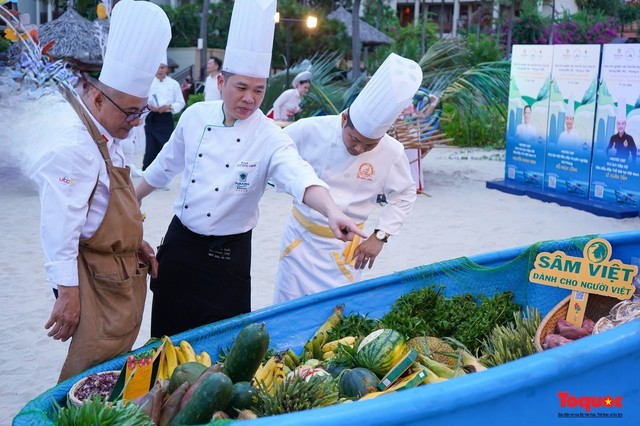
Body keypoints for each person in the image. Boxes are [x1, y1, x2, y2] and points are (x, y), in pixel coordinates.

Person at [135, 0, 366, 338]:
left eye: (258, 90)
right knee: (167, 337)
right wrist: (129, 198)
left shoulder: (270, 136)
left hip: (229, 256)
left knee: (222, 348)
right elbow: (163, 166)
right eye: (241, 87)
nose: (250, 98)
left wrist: (332, 210)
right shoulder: (196, 116)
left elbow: (299, 175)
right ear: (220, 83)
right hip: (181, 245)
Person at [30, 0, 168, 382]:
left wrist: (133, 242)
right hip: (93, 281)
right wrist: (68, 296)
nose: (136, 122)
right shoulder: (74, 147)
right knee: (87, 371)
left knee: (114, 365)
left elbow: (107, 204)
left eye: (141, 112)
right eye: (130, 112)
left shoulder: (112, 133)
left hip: (122, 276)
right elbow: (59, 230)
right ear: (96, 97)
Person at [273, 53, 420, 303]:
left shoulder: (392, 150)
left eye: (370, 144)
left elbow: (405, 193)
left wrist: (380, 236)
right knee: (286, 310)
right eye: (355, 140)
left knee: (337, 317)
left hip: (347, 250)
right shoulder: (310, 129)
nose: (360, 149)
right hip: (300, 240)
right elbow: (274, 149)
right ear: (344, 119)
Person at [142, 57, 185, 170]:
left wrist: (169, 107)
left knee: (165, 148)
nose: (160, 70)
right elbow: (142, 100)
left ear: (167, 69)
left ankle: (162, 174)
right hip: (152, 118)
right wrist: (149, 106)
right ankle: (147, 173)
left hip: (165, 119)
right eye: (157, 67)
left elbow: (180, 103)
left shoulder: (173, 84)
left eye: (162, 67)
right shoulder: (148, 83)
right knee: (151, 149)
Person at [608, 99, 637, 163]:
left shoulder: (629, 138)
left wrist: (633, 163)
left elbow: (634, 151)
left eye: (622, 124)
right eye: (618, 124)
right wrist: (610, 151)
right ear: (616, 125)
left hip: (625, 165)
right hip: (613, 163)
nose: (620, 126)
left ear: (625, 125)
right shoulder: (613, 138)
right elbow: (607, 151)